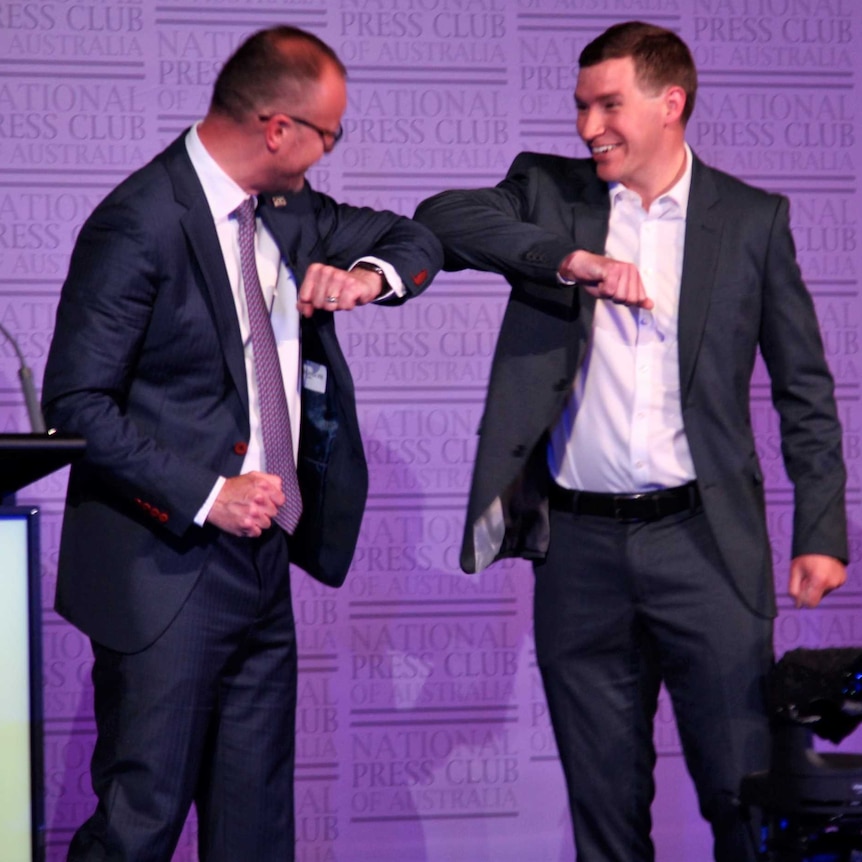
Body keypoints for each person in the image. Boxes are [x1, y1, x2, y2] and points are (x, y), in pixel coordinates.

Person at [414, 20, 848, 862]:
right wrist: (570, 260)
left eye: (608, 105)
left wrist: (821, 533)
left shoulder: (753, 220)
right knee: (605, 813)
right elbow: (444, 218)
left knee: (744, 797)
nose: (588, 127)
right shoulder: (549, 191)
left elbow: (805, 390)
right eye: (581, 106)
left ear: (670, 103)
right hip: (577, 554)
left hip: (707, 549)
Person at [42, 25, 441, 862]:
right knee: (138, 824)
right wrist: (206, 493)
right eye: (329, 133)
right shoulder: (139, 221)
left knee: (255, 828)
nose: (330, 152)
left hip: (263, 565)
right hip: (166, 565)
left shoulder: (287, 213)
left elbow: (418, 240)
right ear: (277, 128)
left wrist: (367, 276)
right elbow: (75, 401)